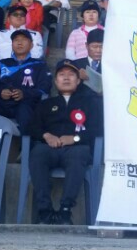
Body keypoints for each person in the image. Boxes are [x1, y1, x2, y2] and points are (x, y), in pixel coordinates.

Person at [27, 59, 103, 224]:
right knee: (37, 154)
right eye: (62, 75)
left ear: (78, 81)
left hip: (76, 148)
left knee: (79, 154)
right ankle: (44, 211)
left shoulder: (89, 104)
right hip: (49, 148)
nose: (66, 78)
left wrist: (74, 138)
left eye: (71, 75)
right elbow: (32, 127)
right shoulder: (46, 104)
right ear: (56, 82)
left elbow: (96, 129)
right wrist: (47, 136)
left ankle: (65, 210)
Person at [0, 29, 51, 131]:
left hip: (26, 104)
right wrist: (0, 92)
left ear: (31, 45)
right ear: (12, 45)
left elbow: (44, 89)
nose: (19, 43)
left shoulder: (40, 65)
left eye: (24, 40)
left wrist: (24, 94)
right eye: (16, 40)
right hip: (2, 103)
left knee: (25, 110)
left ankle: (26, 141)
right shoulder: (1, 63)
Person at [71, 28, 104, 94]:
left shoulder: (110, 67)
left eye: (102, 47)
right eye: (94, 47)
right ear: (86, 46)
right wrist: (76, 76)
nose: (98, 50)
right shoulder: (75, 65)